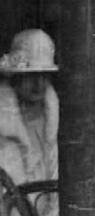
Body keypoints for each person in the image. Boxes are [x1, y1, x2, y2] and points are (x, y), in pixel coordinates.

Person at [0, 29, 58, 184]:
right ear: (15, 76)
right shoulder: (4, 122)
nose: (39, 84)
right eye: (31, 75)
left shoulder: (53, 121)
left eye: (44, 76)